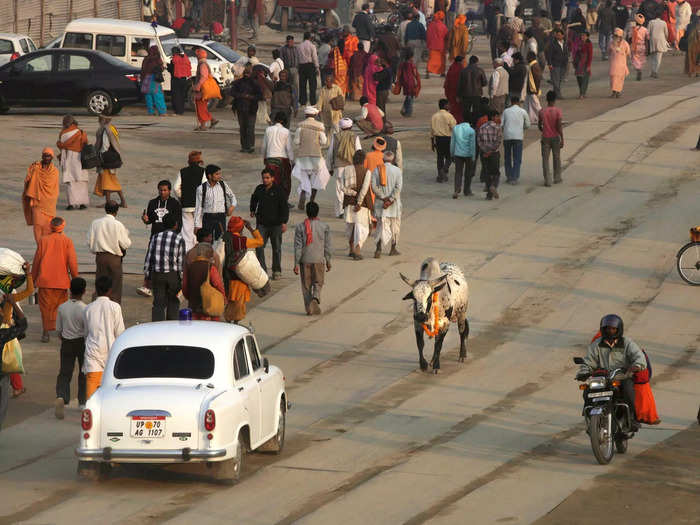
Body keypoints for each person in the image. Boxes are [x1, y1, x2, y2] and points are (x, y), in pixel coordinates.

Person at [576, 314, 647, 431]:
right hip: (602, 379)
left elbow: (639, 357)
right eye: (607, 328)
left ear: (618, 329)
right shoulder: (596, 344)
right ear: (603, 329)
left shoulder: (627, 343)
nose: (610, 331)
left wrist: (636, 366)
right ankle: (590, 420)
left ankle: (631, 419)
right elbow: (589, 361)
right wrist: (583, 372)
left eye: (613, 328)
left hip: (622, 377)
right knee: (587, 392)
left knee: (628, 391)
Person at [32, 217, 78, 343]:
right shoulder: (67, 241)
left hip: (45, 281)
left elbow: (36, 262)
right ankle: (62, 332)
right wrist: (75, 279)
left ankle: (46, 333)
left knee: (45, 308)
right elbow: (72, 262)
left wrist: (33, 279)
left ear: (51, 226)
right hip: (61, 282)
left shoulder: (43, 240)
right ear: (63, 226)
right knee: (61, 308)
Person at [82, 275, 124, 400]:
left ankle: (90, 414)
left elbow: (86, 333)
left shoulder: (88, 308)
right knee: (110, 389)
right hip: (111, 353)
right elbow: (120, 333)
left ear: (96, 289)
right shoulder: (115, 307)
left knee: (92, 391)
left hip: (93, 354)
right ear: (110, 290)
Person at [54, 277, 87, 418]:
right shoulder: (85, 309)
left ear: (70, 290)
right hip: (81, 342)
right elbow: (87, 331)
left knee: (65, 372)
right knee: (83, 372)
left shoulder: (62, 307)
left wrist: (63, 336)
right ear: (84, 291)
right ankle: (82, 402)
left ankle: (62, 397)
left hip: (66, 342)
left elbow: (58, 330)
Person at [87, 201, 131, 304]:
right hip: (114, 259)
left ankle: (97, 308)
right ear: (117, 211)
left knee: (100, 285)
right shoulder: (118, 225)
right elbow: (126, 244)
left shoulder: (95, 223)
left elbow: (89, 241)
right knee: (115, 287)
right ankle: (114, 310)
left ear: (105, 209)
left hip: (100, 258)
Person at [221, 217, 264, 323]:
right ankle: (234, 325)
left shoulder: (224, 238)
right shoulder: (242, 241)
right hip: (239, 278)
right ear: (241, 229)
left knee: (230, 303)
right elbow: (260, 242)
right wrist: (250, 228)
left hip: (226, 277)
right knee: (238, 307)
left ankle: (230, 322)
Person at [144, 213, 185, 322]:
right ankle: (171, 329)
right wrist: (182, 279)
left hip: (157, 275)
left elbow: (149, 258)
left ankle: (158, 329)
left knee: (158, 304)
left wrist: (147, 276)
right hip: (173, 276)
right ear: (175, 225)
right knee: (173, 303)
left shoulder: (155, 237)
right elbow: (181, 262)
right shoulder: (179, 239)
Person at [0, 262, 32, 399]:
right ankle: (17, 387)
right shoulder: (9, 297)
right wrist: (28, 273)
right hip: (6, 331)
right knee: (10, 358)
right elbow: (30, 291)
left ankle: (18, 387)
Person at [250, 168, 289, 280]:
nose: (265, 180)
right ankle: (262, 269)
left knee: (276, 248)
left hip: (276, 225)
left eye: (267, 178)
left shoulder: (279, 190)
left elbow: (284, 207)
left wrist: (284, 222)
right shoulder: (259, 189)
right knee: (259, 246)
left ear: (273, 178)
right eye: (263, 178)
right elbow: (254, 199)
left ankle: (276, 270)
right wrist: (252, 210)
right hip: (262, 224)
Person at [294, 202, 331, 315]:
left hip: (304, 260)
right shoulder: (324, 227)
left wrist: (296, 263)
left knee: (306, 286)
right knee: (318, 282)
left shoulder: (300, 227)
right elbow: (327, 246)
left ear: (307, 212)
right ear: (317, 212)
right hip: (318, 260)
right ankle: (315, 298)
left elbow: (298, 246)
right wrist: (328, 261)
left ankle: (308, 308)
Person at [182, 228, 226, 321]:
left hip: (194, 301)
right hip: (210, 302)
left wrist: (190, 297)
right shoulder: (213, 259)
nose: (211, 239)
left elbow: (185, 283)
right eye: (209, 237)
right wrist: (223, 298)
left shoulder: (189, 254)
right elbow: (218, 283)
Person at [292, 106, 330, 209]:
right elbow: (324, 142)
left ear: (305, 115)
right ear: (315, 115)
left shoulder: (300, 127)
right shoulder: (320, 127)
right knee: (315, 180)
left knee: (304, 179)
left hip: (303, 158)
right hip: (316, 157)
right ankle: (312, 201)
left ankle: (302, 199)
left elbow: (296, 142)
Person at [0, 295, 28, 429]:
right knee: (2, 405)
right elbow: (23, 324)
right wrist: (13, 303)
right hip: (2, 376)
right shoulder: (3, 334)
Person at [339, 150, 373, 260]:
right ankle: (357, 250)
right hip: (362, 205)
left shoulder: (346, 170)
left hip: (349, 202)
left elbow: (342, 187)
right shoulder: (367, 172)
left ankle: (351, 249)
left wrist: (352, 193)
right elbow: (364, 189)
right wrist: (359, 202)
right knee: (361, 228)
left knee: (350, 227)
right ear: (364, 160)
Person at [23, 148, 59, 244]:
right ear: (42, 156)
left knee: (48, 228)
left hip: (49, 204)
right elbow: (27, 180)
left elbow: (55, 189)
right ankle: (40, 247)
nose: (46, 157)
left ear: (52, 158)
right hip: (37, 203)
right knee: (38, 226)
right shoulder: (35, 168)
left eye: (49, 156)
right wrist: (32, 170)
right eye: (45, 155)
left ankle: (46, 247)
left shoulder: (55, 171)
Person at [327, 117, 362, 218]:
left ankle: (340, 211)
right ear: (351, 126)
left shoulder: (335, 136)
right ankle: (350, 210)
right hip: (352, 166)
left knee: (339, 189)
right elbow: (359, 152)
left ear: (341, 127)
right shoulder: (355, 137)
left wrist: (330, 168)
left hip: (339, 167)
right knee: (351, 188)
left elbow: (330, 153)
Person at [371, 150, 402, 258]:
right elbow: (398, 188)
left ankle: (378, 249)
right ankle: (393, 249)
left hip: (381, 204)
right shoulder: (397, 171)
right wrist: (390, 200)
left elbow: (374, 187)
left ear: (383, 159)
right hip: (394, 205)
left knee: (380, 227)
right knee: (395, 227)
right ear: (392, 160)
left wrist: (384, 198)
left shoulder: (376, 170)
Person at [174, 151, 207, 252]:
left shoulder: (182, 171)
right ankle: (198, 252)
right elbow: (205, 188)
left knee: (187, 231)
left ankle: (187, 253)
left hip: (186, 206)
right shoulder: (203, 172)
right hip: (199, 207)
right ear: (199, 161)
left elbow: (176, 188)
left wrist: (181, 197)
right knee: (199, 229)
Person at [194, 164, 237, 240]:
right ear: (210, 176)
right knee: (207, 240)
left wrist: (232, 207)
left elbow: (232, 196)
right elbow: (198, 208)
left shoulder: (223, 185)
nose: (219, 176)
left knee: (221, 241)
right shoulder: (201, 188)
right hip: (207, 218)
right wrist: (197, 225)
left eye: (220, 174)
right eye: (217, 174)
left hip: (220, 217)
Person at [56, 115, 89, 210]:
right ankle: (82, 203)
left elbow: (61, 145)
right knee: (82, 181)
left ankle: (72, 203)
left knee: (71, 181)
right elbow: (85, 143)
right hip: (80, 158)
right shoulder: (81, 132)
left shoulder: (63, 133)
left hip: (68, 158)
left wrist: (58, 144)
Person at [93, 116, 126, 208]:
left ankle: (118, 202)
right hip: (113, 158)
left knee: (109, 181)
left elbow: (105, 146)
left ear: (102, 121)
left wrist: (100, 157)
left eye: (99, 120)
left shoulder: (105, 131)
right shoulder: (112, 128)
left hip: (107, 160)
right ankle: (113, 201)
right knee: (109, 181)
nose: (98, 121)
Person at [263, 112, 295, 205]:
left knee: (269, 181)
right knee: (285, 182)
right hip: (282, 160)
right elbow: (289, 148)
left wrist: (264, 157)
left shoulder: (268, 130)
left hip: (270, 159)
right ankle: (284, 201)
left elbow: (264, 146)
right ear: (284, 121)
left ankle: (269, 199)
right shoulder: (286, 131)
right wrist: (292, 161)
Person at [231, 64, 263, 153]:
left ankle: (251, 146)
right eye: (245, 72)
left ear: (251, 73)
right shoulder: (238, 83)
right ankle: (244, 146)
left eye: (248, 73)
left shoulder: (255, 84)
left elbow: (260, 96)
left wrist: (250, 97)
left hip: (251, 109)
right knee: (242, 128)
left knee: (250, 128)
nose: (246, 74)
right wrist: (241, 95)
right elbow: (232, 92)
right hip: (240, 108)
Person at [501, 96, 530, 185]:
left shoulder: (506, 111)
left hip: (507, 136)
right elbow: (528, 125)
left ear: (511, 102)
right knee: (517, 158)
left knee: (507, 157)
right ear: (518, 102)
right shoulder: (523, 111)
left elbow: (501, 124)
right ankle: (515, 177)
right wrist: (522, 128)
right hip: (518, 137)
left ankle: (509, 176)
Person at [538, 90, 564, 187]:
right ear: (555, 100)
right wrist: (562, 138)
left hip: (545, 137)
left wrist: (544, 129)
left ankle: (547, 180)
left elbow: (539, 125)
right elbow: (559, 126)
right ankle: (557, 178)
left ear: (547, 99)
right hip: (555, 137)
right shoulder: (558, 111)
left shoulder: (542, 112)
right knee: (556, 157)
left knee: (545, 159)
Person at [477, 110, 503, 200]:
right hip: (494, 153)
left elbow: (479, 141)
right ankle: (493, 186)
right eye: (497, 116)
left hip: (484, 153)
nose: (498, 118)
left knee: (487, 173)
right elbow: (498, 141)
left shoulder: (482, 127)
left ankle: (489, 195)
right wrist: (491, 151)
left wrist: (485, 150)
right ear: (493, 117)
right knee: (496, 173)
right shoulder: (497, 128)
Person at [193, 48, 219, 131]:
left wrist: (198, 86)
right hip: (204, 89)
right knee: (202, 107)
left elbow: (204, 77)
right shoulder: (204, 63)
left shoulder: (202, 65)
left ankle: (205, 124)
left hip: (202, 90)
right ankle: (210, 121)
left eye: (197, 55)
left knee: (200, 107)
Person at [431, 99, 457, 183]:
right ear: (445, 105)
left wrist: (432, 143)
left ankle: (440, 175)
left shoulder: (434, 116)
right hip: (448, 139)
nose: (450, 106)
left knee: (440, 157)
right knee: (449, 157)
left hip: (438, 139)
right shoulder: (449, 116)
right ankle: (444, 170)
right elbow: (454, 128)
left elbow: (431, 130)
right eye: (448, 104)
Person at [450, 118, 477, 197]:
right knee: (468, 173)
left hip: (458, 154)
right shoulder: (471, 130)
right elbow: (472, 145)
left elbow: (452, 143)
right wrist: (473, 156)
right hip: (468, 155)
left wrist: (452, 154)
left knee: (458, 172)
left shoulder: (455, 128)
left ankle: (457, 189)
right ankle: (467, 190)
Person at [457, 55, 487, 124]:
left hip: (466, 94)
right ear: (476, 62)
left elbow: (460, 85)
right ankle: (474, 123)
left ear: (469, 62)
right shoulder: (480, 70)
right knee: (476, 110)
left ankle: (467, 123)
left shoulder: (463, 71)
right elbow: (484, 82)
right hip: (477, 94)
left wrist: (458, 95)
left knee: (466, 110)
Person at [141, 46, 167, 116]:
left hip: (146, 78)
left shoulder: (146, 59)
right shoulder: (157, 59)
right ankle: (162, 112)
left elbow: (143, 69)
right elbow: (161, 68)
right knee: (158, 95)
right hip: (154, 78)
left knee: (148, 95)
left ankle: (150, 112)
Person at [397, 48, 421, 118]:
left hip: (405, 83)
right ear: (412, 56)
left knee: (408, 96)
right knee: (410, 98)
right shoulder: (411, 64)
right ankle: (408, 112)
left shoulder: (402, 64)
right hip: (411, 83)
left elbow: (399, 74)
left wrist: (399, 82)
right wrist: (417, 82)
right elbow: (415, 74)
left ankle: (404, 109)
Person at [546, 29, 569, 100]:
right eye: (557, 35)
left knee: (560, 80)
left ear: (563, 35)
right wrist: (549, 64)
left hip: (563, 64)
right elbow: (549, 54)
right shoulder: (552, 44)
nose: (558, 36)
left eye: (559, 35)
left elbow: (566, 53)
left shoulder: (564, 43)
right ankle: (558, 95)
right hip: (555, 64)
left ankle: (555, 93)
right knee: (556, 80)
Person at [168, 46, 191, 115]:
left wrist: (168, 67)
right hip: (184, 79)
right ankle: (181, 110)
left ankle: (177, 111)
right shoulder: (185, 58)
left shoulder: (174, 59)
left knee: (176, 95)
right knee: (182, 95)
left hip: (176, 79)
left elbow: (172, 70)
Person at [298, 32, 319, 106]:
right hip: (310, 66)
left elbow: (298, 57)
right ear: (310, 37)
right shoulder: (312, 46)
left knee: (302, 84)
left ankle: (302, 101)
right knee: (312, 85)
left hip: (301, 66)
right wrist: (317, 67)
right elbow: (314, 57)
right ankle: (312, 101)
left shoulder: (299, 46)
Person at [426, 10, 449, 78]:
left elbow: (428, 35)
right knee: (442, 60)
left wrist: (428, 44)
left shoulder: (431, 25)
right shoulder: (443, 26)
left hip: (432, 46)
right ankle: (442, 72)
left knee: (431, 60)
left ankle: (428, 71)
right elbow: (446, 37)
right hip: (441, 46)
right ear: (442, 18)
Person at [608, 27, 631, 97]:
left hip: (621, 64)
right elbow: (608, 51)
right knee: (613, 78)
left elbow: (628, 52)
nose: (616, 37)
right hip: (614, 64)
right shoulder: (611, 43)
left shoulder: (625, 43)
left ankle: (617, 92)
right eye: (615, 36)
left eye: (617, 36)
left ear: (621, 36)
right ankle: (614, 91)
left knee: (620, 79)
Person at [648, 10, 670, 78]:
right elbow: (666, 33)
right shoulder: (663, 23)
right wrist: (665, 39)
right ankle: (655, 71)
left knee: (653, 57)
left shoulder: (651, 22)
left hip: (653, 40)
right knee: (658, 58)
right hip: (661, 40)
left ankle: (653, 71)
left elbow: (648, 32)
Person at [444, 55, 465, 123]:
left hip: (450, 92)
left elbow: (447, 80)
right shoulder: (461, 68)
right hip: (458, 92)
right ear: (460, 61)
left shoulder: (452, 67)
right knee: (459, 110)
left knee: (453, 108)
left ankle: (452, 122)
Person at [279, 35, 300, 100]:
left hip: (295, 69)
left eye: (291, 42)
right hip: (287, 69)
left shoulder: (296, 49)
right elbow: (281, 59)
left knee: (295, 85)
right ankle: (287, 99)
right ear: (286, 42)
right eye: (288, 42)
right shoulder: (283, 49)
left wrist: (298, 68)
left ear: (293, 41)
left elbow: (298, 58)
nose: (290, 43)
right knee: (287, 85)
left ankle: (295, 99)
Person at [525, 51, 543, 124]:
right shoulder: (531, 65)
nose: (526, 58)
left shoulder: (534, 66)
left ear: (531, 58)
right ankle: (532, 119)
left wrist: (536, 90)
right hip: (530, 90)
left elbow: (538, 79)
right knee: (530, 106)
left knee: (537, 106)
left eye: (527, 57)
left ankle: (545, 117)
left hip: (533, 90)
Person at [630, 15, 649, 81]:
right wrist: (647, 48)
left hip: (635, 46)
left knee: (635, 59)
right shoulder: (645, 29)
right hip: (642, 46)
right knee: (641, 59)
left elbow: (629, 38)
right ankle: (640, 68)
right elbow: (647, 40)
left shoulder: (633, 29)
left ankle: (638, 69)